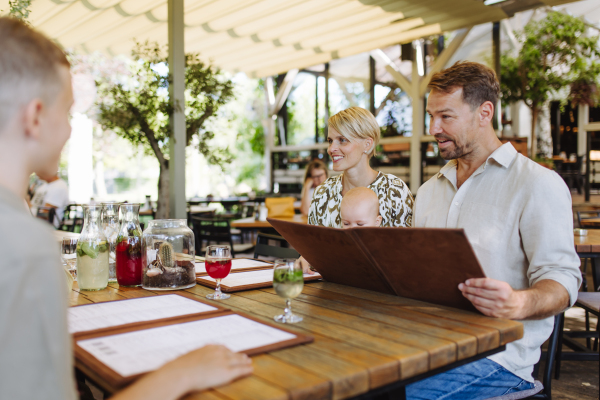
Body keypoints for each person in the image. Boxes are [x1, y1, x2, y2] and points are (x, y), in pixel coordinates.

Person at [0, 17, 252, 400]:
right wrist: (180, 374)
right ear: (35, 117)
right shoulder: (24, 247)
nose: (69, 129)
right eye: (67, 111)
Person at [407, 61, 581, 400]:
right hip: (425, 343)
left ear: (484, 112)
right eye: (430, 116)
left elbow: (562, 280)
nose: (433, 127)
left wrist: (518, 302)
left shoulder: (537, 184)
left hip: (499, 361)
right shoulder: (428, 191)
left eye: (446, 116)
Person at [301, 107, 413, 273]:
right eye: (331, 140)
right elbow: (311, 250)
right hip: (328, 290)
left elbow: (407, 255)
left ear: (367, 144)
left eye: (342, 140)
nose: (331, 149)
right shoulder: (323, 192)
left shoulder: (394, 191)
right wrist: (305, 259)